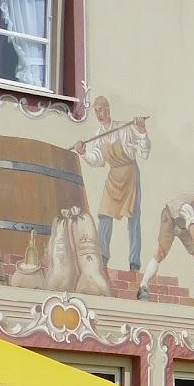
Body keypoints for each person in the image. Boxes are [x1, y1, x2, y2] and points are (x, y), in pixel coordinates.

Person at [74, 97, 149, 272]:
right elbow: (98, 160)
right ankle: (103, 258)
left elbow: (143, 152)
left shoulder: (123, 129)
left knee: (133, 219)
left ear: (108, 110)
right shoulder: (99, 135)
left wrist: (142, 132)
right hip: (113, 176)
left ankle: (134, 262)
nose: (99, 114)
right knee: (105, 215)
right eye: (96, 111)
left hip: (130, 174)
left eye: (101, 110)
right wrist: (84, 153)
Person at [137, 185, 194, 299]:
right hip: (170, 220)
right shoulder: (188, 208)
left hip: (184, 228)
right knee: (161, 253)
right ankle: (143, 286)